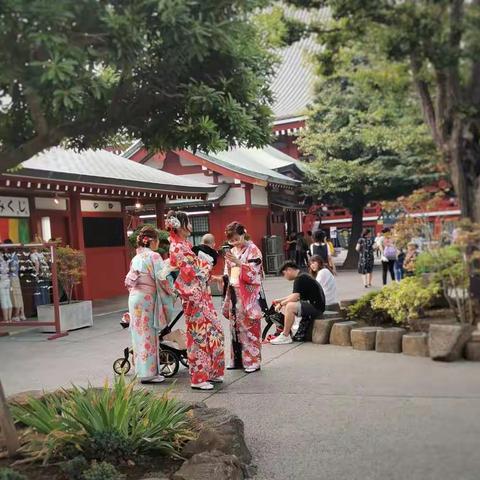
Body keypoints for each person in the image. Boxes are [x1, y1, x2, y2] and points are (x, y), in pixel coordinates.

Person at [167, 210, 225, 391]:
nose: (191, 226)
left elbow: (196, 269)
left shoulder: (184, 244)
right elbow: (190, 272)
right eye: (188, 223)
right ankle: (198, 378)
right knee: (199, 335)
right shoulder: (176, 247)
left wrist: (204, 265)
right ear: (179, 226)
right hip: (193, 297)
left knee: (213, 331)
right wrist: (206, 264)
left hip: (201, 294)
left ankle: (211, 371)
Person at [125, 226, 174, 384]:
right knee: (149, 334)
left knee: (138, 333)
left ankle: (141, 371)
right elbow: (161, 278)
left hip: (134, 297)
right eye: (158, 240)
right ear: (152, 241)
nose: (158, 244)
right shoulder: (154, 256)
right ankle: (149, 374)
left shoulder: (136, 257)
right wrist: (171, 291)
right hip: (147, 298)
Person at [222, 222, 263, 373]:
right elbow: (228, 272)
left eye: (235, 238)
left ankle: (253, 361)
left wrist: (238, 263)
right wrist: (225, 277)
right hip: (234, 292)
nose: (233, 242)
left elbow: (254, 272)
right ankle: (237, 359)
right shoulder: (232, 250)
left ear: (243, 233)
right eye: (230, 240)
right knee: (235, 328)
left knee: (249, 327)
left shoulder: (253, 250)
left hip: (248, 294)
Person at [270, 261, 325, 345]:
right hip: (317, 305)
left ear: (289, 270)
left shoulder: (300, 278)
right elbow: (294, 295)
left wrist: (281, 304)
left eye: (284, 274)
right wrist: (280, 300)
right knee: (289, 304)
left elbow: (295, 297)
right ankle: (286, 334)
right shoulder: (302, 275)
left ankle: (285, 335)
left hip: (316, 307)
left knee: (290, 306)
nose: (285, 277)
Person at [4, 239, 26, 321]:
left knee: (16, 296)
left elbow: (13, 268)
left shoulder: (13, 255)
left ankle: (17, 314)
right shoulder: (12, 254)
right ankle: (22, 313)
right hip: (14, 277)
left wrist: (6, 268)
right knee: (18, 295)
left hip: (13, 277)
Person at [0, 249, 12, 322]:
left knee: (3, 300)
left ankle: (6, 319)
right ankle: (9, 319)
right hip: (7, 280)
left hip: (1, 281)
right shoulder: (6, 260)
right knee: (8, 299)